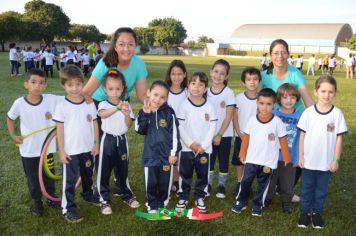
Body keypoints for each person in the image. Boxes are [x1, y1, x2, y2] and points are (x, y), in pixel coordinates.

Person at [7, 68, 60, 216]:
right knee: (33, 177)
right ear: (26, 84)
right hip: (29, 150)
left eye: (42, 83)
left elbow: (70, 98)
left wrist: (85, 96)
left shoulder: (50, 99)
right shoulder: (19, 103)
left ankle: (51, 198)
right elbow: (10, 118)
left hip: (47, 149)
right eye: (34, 82)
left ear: (46, 85)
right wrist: (13, 135)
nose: (38, 86)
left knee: (48, 175)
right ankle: (37, 202)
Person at [297, 75, 348, 229]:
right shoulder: (308, 113)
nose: (326, 95)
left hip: (326, 163)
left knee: (321, 190)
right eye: (323, 91)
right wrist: (300, 156)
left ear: (335, 93)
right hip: (309, 161)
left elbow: (339, 139)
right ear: (316, 92)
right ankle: (305, 213)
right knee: (306, 188)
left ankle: (317, 213)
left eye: (330, 92)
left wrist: (336, 160)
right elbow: (302, 136)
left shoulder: (337, 114)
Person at [231, 88, 291, 217]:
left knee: (263, 186)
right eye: (262, 103)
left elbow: (283, 140)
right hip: (252, 159)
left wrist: (286, 156)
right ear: (257, 103)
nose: (265, 107)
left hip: (267, 162)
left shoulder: (277, 123)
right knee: (245, 182)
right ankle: (241, 201)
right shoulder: (252, 120)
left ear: (274, 104)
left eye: (269, 104)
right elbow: (246, 138)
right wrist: (242, 153)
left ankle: (257, 205)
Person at [53, 65, 100, 223]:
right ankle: (68, 208)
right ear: (63, 85)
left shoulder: (89, 103)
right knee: (70, 180)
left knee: (87, 175)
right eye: (70, 85)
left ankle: (87, 194)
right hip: (70, 151)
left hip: (88, 148)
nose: (74, 88)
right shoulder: (61, 106)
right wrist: (61, 151)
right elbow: (59, 130)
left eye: (78, 84)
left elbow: (94, 123)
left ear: (83, 83)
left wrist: (96, 143)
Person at [97, 69, 140, 215]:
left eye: (117, 89)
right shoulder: (103, 104)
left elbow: (128, 125)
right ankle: (104, 200)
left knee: (123, 169)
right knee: (104, 171)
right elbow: (102, 115)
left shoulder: (125, 105)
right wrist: (116, 108)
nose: (114, 92)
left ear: (122, 89)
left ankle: (126, 194)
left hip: (122, 140)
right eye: (110, 89)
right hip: (107, 140)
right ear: (105, 89)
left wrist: (127, 114)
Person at [135, 80, 181, 213]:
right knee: (151, 182)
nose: (158, 99)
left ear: (166, 98)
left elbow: (174, 134)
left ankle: (162, 202)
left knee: (164, 182)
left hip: (166, 157)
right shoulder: (144, 111)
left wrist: (173, 153)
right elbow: (139, 129)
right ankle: (152, 204)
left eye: (162, 97)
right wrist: (145, 114)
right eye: (155, 95)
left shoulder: (169, 112)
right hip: (150, 155)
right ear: (149, 92)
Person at [175, 72, 217, 213]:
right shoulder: (183, 106)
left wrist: (203, 145)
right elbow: (180, 127)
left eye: (201, 85)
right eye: (193, 83)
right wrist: (191, 144)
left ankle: (200, 196)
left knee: (202, 175)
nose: (196, 87)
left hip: (205, 150)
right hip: (187, 149)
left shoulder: (210, 106)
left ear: (205, 89)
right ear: (188, 86)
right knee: (185, 174)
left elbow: (212, 128)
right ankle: (183, 197)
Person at [82, 27, 148, 105]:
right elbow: (86, 92)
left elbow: (142, 95)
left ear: (135, 46)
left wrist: (155, 105)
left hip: (122, 102)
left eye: (130, 44)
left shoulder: (139, 64)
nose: (126, 49)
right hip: (100, 102)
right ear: (115, 47)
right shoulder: (105, 63)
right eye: (121, 44)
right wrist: (94, 113)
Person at [264, 83, 302, 214]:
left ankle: (286, 202)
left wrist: (298, 156)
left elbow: (300, 139)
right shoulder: (272, 114)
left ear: (297, 99)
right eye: (285, 97)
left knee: (288, 182)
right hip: (272, 155)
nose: (289, 100)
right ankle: (266, 199)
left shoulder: (300, 117)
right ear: (279, 99)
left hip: (290, 156)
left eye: (292, 97)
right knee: (269, 180)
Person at [207, 59, 235, 198]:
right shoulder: (205, 92)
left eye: (222, 73)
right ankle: (209, 184)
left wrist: (219, 134)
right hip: (208, 135)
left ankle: (222, 186)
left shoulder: (228, 93)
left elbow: (228, 116)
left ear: (227, 76)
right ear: (211, 72)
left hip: (224, 134)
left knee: (223, 161)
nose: (218, 76)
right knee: (209, 160)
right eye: (216, 72)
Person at [261, 39, 314, 113]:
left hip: (296, 119)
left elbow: (308, 101)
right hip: (273, 119)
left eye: (283, 53)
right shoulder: (263, 76)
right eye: (276, 53)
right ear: (271, 55)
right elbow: (255, 101)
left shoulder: (295, 74)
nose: (280, 56)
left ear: (288, 54)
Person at [231, 67, 260, 196]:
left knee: (254, 161)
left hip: (257, 138)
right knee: (239, 160)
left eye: (255, 79)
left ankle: (249, 184)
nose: (252, 82)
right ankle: (240, 181)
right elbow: (235, 117)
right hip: (241, 136)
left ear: (259, 81)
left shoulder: (262, 99)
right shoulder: (238, 98)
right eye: (248, 79)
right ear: (244, 82)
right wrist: (239, 133)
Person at [164, 59, 188, 193]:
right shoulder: (165, 91)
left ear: (184, 75)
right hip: (167, 131)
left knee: (181, 159)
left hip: (184, 131)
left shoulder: (188, 92)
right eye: (173, 74)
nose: (176, 77)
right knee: (170, 157)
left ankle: (179, 183)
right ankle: (169, 182)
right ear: (169, 74)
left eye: (180, 74)